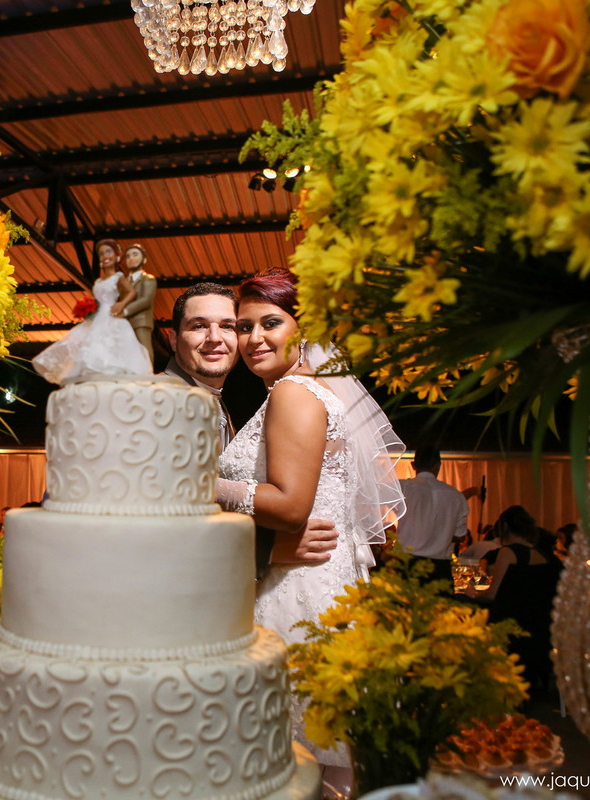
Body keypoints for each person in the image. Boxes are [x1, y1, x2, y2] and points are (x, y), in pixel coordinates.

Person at [215, 268, 406, 783]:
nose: (253, 339)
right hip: (312, 578)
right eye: (244, 326)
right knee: (319, 766)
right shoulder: (313, 392)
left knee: (293, 762)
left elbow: (291, 504)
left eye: (270, 323)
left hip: (294, 592)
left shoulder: (293, 394)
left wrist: (202, 485)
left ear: (305, 328)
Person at [163, 282, 339, 575]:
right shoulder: (153, 399)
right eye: (198, 326)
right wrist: (264, 548)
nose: (214, 338)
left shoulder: (223, 408)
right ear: (173, 339)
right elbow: (147, 509)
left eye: (229, 326)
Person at [467, 505, 563, 695]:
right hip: (540, 628)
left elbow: (494, 594)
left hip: (510, 625)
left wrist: (472, 593)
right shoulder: (545, 556)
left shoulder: (508, 553)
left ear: (504, 528)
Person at [33, 239, 152, 384]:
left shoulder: (119, 277)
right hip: (97, 317)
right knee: (89, 344)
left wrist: (122, 304)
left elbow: (131, 292)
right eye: (101, 254)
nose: (104, 256)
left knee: (109, 344)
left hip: (110, 314)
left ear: (116, 255)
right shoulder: (98, 281)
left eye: (108, 252)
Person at [395, 445, 468, 588]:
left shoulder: (402, 488)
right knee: (441, 609)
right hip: (440, 568)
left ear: (413, 465)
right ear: (438, 466)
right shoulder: (456, 496)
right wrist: (440, 532)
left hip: (408, 563)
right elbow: (461, 536)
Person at [120, 243, 157, 364]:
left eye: (135, 254)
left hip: (141, 321)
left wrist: (124, 311)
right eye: (128, 256)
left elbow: (145, 300)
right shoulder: (124, 282)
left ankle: (147, 374)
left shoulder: (148, 279)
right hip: (125, 322)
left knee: (144, 348)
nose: (131, 258)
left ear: (144, 259)